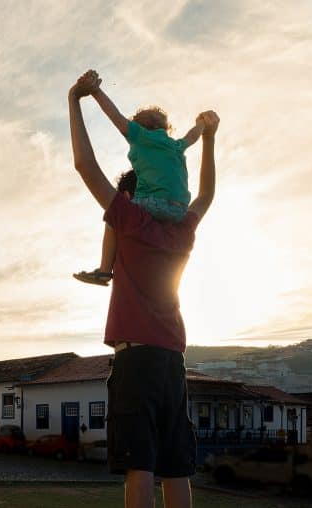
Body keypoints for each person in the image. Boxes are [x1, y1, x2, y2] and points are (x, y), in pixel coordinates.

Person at [67, 69, 219, 508]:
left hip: (136, 361)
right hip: (174, 361)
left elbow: (84, 165)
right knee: (176, 467)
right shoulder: (184, 230)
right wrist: (208, 138)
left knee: (141, 466)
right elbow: (205, 195)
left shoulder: (129, 221)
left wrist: (75, 100)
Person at [73, 70, 206, 286]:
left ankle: (105, 270)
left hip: (153, 203)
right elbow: (192, 135)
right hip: (180, 209)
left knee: (115, 216)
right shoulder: (176, 145)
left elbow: (114, 116)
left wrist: (96, 91)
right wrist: (202, 123)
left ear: (141, 126)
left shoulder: (140, 136)